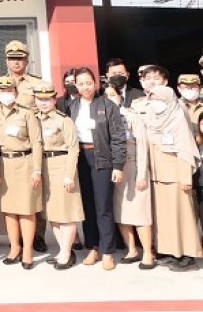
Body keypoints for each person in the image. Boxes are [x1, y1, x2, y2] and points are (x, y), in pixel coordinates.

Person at [66, 67, 125, 270]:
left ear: (95, 83)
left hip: (102, 158)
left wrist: (118, 165)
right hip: (80, 158)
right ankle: (93, 247)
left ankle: (108, 251)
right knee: (87, 206)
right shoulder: (71, 106)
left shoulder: (107, 105)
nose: (85, 87)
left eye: (88, 83)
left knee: (103, 207)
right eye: (81, 83)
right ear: (76, 85)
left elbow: (118, 138)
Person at [139, 84, 201, 270]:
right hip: (157, 177)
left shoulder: (178, 118)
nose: (155, 103)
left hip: (176, 177)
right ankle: (170, 252)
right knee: (164, 219)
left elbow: (185, 151)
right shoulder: (151, 119)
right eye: (152, 99)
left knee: (182, 217)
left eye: (158, 99)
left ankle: (187, 254)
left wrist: (186, 179)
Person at [0, 76, 43, 269]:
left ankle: (27, 250)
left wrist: (37, 170)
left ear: (16, 93)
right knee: (10, 210)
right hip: (4, 164)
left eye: (9, 91)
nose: (6, 94)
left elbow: (37, 142)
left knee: (27, 209)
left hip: (25, 163)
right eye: (2, 91)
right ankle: (15, 247)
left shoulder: (27, 114)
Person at [33, 82, 84, 270]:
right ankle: (65, 250)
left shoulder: (64, 120)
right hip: (43, 167)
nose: (44, 103)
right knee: (52, 213)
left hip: (61, 166)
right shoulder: (34, 119)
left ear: (54, 99)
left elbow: (73, 148)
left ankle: (65, 252)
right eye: (40, 99)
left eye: (47, 99)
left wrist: (69, 175)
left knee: (67, 213)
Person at [114, 94, 155, 269]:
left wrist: (141, 174)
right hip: (116, 169)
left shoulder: (133, 117)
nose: (109, 100)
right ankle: (132, 249)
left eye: (112, 96)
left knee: (140, 213)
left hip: (133, 166)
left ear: (120, 98)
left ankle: (147, 252)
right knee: (121, 212)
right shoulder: (105, 117)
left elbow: (142, 147)